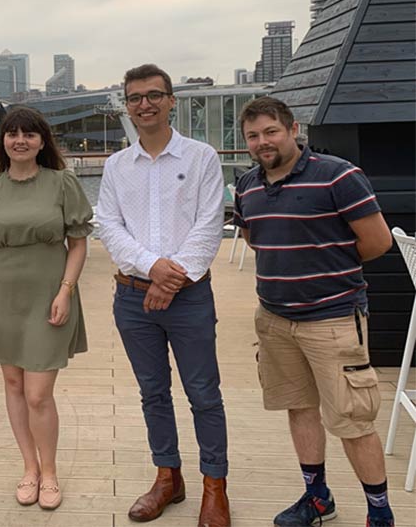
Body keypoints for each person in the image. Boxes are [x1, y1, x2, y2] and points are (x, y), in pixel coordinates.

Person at [234, 97, 395, 527]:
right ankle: (317, 497)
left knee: (353, 418)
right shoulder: (247, 184)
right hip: (274, 320)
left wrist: (326, 269)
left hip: (334, 319)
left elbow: (378, 242)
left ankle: (379, 512)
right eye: (253, 135)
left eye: (271, 131)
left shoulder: (339, 175)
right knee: (299, 408)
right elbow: (255, 239)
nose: (262, 142)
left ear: (292, 130)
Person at [96, 64, 230, 526]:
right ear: (127, 106)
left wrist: (170, 279)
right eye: (135, 98)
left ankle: (215, 484)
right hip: (133, 299)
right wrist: (152, 268)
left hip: (190, 296)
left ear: (172, 100)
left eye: (154, 95)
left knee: (203, 393)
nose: (145, 104)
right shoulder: (116, 166)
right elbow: (108, 226)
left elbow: (210, 223)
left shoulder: (201, 157)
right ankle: (168, 477)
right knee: (153, 392)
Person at [0, 106, 92, 511]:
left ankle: (49, 471)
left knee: (38, 393)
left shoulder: (62, 183)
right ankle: (29, 468)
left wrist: (66, 290)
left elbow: (79, 243)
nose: (20, 140)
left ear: (42, 141)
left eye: (29, 134)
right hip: (2, 297)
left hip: (49, 293)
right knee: (14, 385)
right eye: (12, 133)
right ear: (2, 141)